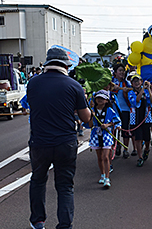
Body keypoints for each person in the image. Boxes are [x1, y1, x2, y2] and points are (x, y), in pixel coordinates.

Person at [27, 47, 91, 229]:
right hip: (65, 142)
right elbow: (86, 118)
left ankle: (38, 221)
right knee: (64, 185)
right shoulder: (74, 85)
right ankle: (65, 224)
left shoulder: (33, 83)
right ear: (66, 65)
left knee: (38, 180)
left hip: (40, 141)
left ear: (47, 63)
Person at [84, 90, 121, 188]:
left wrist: (108, 124)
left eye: (102, 98)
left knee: (105, 156)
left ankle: (107, 178)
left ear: (106, 100)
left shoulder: (109, 110)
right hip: (96, 134)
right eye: (98, 98)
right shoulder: (92, 110)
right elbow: (90, 125)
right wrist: (91, 116)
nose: (100, 100)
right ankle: (102, 174)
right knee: (99, 157)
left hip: (106, 135)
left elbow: (116, 121)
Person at [128, 74, 152, 167]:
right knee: (138, 138)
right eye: (134, 81)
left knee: (147, 139)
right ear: (131, 83)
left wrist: (149, 90)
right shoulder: (130, 92)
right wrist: (142, 89)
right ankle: (140, 157)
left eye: (138, 81)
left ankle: (147, 149)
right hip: (135, 118)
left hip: (146, 118)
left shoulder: (146, 92)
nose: (136, 83)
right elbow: (136, 100)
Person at [112, 63, 134, 158]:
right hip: (114, 110)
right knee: (114, 130)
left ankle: (125, 149)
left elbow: (133, 91)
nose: (122, 72)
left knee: (125, 129)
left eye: (123, 71)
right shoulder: (111, 82)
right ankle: (116, 146)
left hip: (125, 109)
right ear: (115, 72)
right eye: (120, 70)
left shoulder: (127, 83)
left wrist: (128, 91)